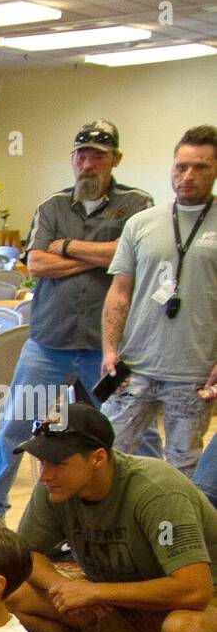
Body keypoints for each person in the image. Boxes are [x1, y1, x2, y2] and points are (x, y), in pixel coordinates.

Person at [0, 122, 156, 521]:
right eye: (82, 155)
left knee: (136, 432)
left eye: (98, 156)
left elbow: (132, 256)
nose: (88, 164)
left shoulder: (138, 205)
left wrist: (69, 248)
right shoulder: (51, 206)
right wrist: (101, 256)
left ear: (116, 160)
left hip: (106, 346)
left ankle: (157, 503)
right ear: (73, 159)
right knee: (14, 428)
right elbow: (36, 262)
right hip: (49, 343)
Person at [8, 404, 217, 632]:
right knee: (8, 593)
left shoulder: (156, 491)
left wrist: (96, 592)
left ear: (99, 458)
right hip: (130, 606)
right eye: (42, 462)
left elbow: (194, 590)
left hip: (201, 608)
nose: (45, 474)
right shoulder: (55, 490)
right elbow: (22, 554)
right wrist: (63, 586)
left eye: (58, 462)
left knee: (184, 631)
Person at [100, 125, 217, 475]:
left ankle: (174, 530)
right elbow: (120, 291)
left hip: (193, 374)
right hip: (134, 366)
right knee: (105, 454)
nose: (188, 176)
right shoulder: (141, 223)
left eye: (201, 167)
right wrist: (109, 350)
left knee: (183, 467)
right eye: (181, 167)